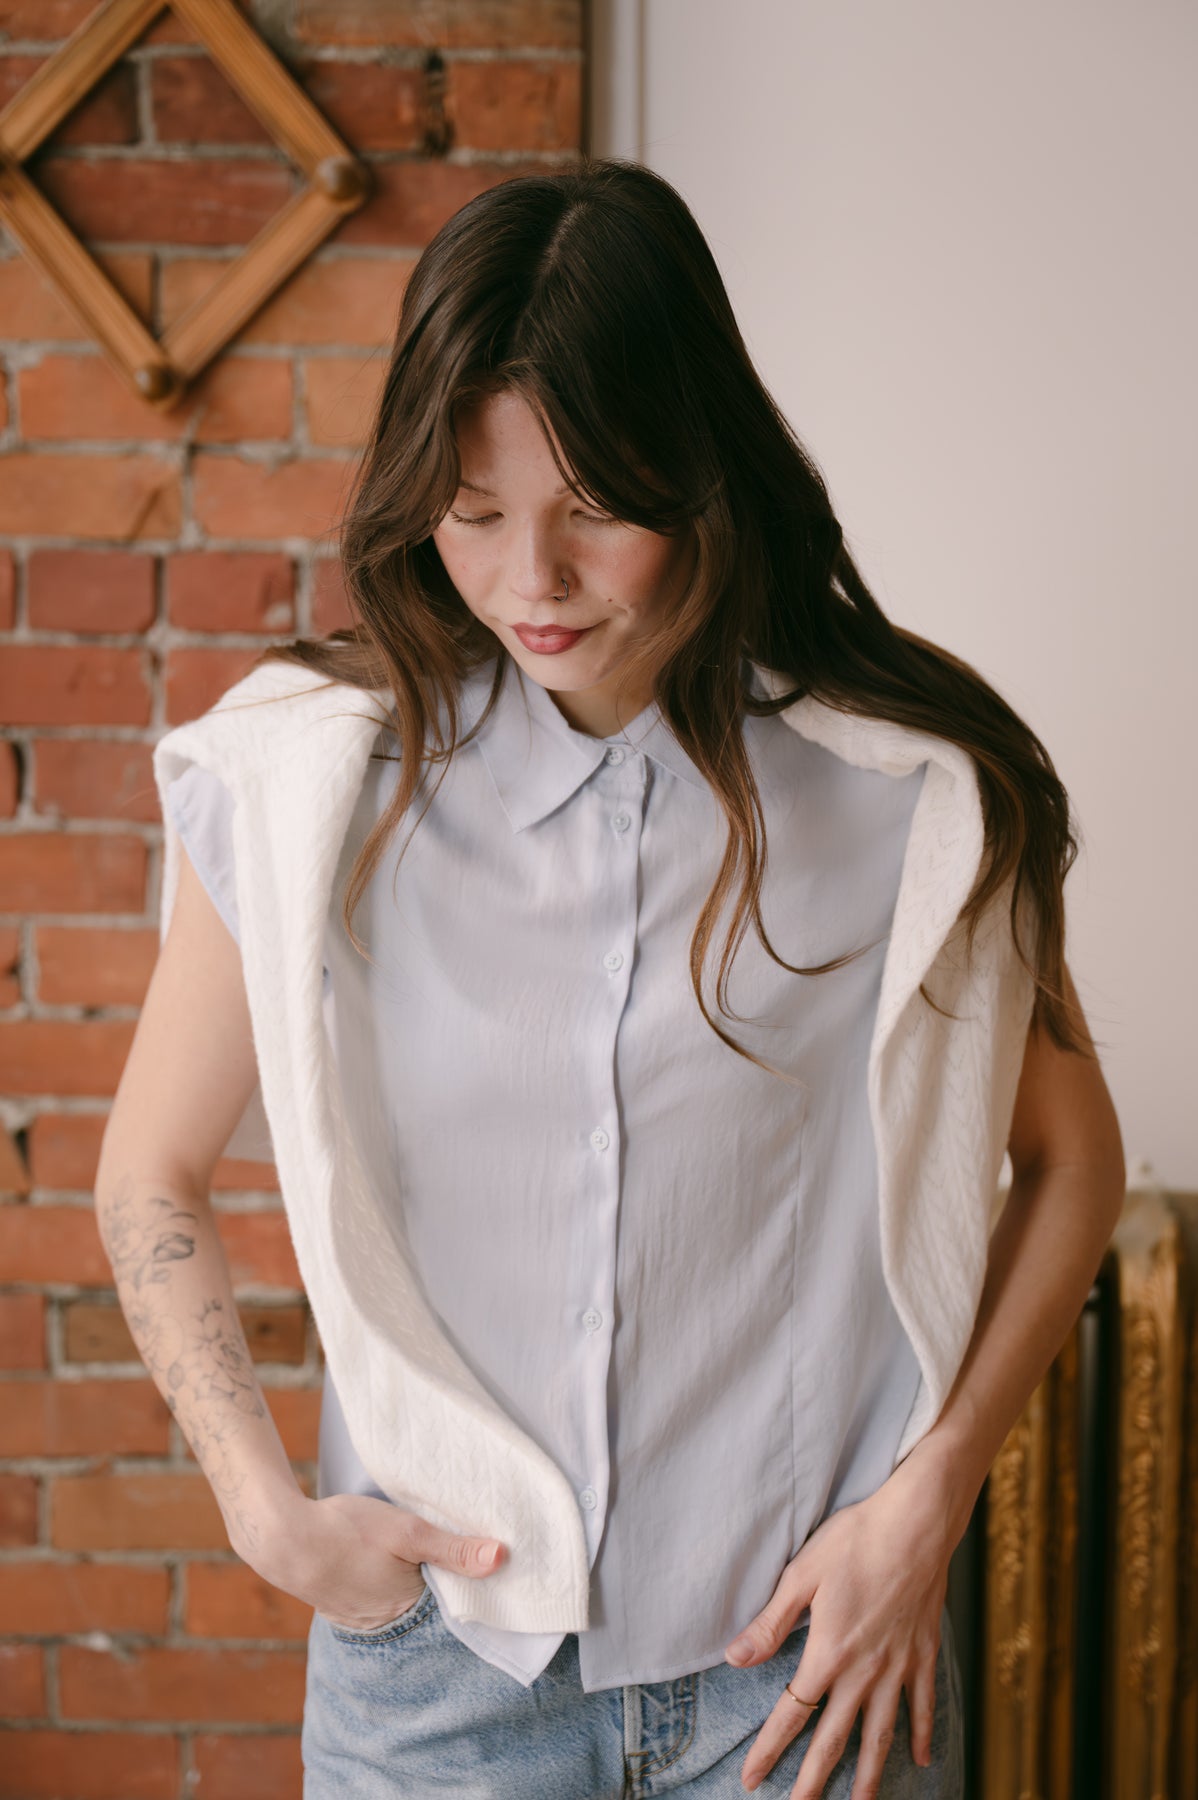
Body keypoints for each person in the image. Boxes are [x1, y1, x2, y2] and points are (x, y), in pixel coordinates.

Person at [97, 159, 1125, 1799]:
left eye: (592, 509)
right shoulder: (302, 787)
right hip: (436, 1683)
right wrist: (264, 1511)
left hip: (808, 1676)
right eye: (474, 512)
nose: (532, 580)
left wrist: (930, 1497)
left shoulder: (919, 798)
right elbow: (148, 1170)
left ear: (700, 470)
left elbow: (1071, 1160)